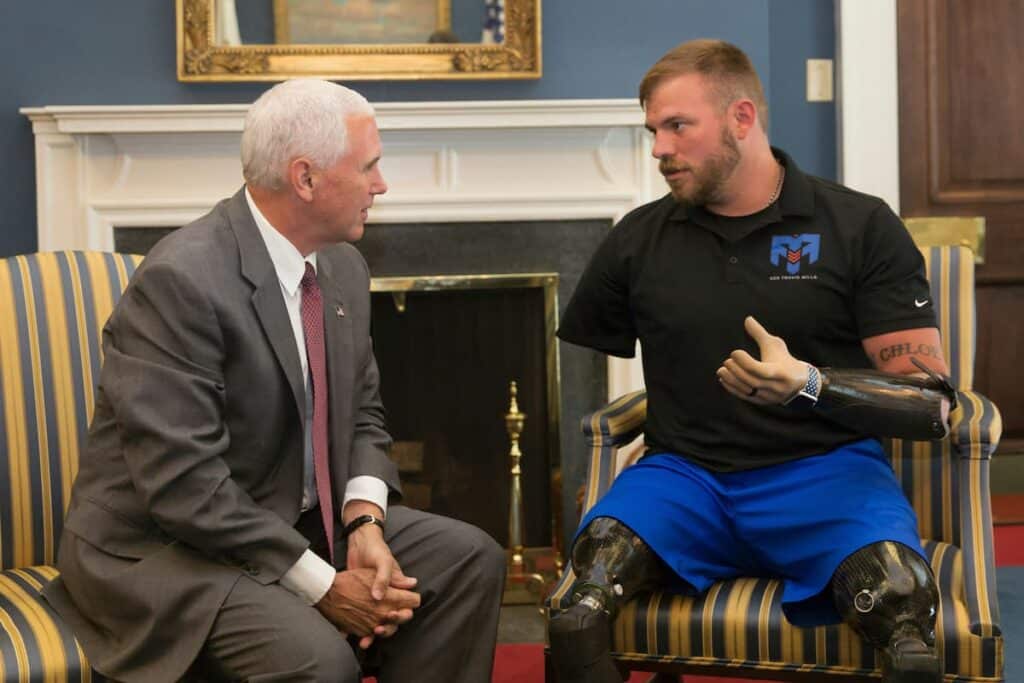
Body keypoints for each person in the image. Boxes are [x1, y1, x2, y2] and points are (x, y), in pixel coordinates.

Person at [43, 78, 506, 683]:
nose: (381, 185)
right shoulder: (181, 282)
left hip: (291, 518)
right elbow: (185, 486)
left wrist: (364, 521)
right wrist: (324, 585)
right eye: (368, 166)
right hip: (167, 550)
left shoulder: (341, 265)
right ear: (305, 178)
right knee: (319, 660)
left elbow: (364, 412)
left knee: (469, 561)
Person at [548, 40, 954, 683]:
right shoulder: (638, 238)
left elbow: (930, 403)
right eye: (653, 131)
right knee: (579, 606)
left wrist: (811, 384)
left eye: (678, 126)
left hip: (826, 473)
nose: (659, 148)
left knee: (901, 606)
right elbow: (589, 367)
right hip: (686, 479)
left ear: (742, 118)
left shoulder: (859, 225)